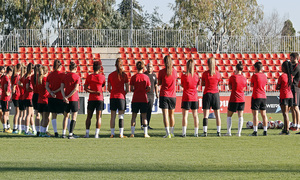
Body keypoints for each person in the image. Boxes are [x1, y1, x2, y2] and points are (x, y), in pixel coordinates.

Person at [107, 58, 129, 138]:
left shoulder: (110, 75)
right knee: (121, 116)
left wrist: (113, 92)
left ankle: (112, 134)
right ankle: (121, 134)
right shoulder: (125, 75)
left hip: (113, 96)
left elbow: (108, 88)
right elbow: (127, 89)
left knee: (112, 117)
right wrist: (123, 93)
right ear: (122, 65)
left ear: (115, 65)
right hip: (121, 97)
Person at [83, 61, 105, 138]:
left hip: (91, 99)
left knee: (89, 116)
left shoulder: (89, 77)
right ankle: (96, 134)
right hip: (99, 98)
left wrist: (93, 92)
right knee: (98, 117)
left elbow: (85, 88)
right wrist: (97, 91)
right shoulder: (102, 77)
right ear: (99, 69)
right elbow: (103, 85)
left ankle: (87, 134)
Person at [201, 57, 222, 137]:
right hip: (215, 94)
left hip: (207, 94)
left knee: (205, 115)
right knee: (217, 115)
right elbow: (218, 82)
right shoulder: (217, 74)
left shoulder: (205, 74)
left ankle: (205, 132)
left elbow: (203, 84)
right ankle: (218, 131)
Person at [130, 61, 151, 138]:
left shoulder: (133, 77)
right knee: (144, 116)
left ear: (136, 67)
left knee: (133, 116)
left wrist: (136, 90)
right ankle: (145, 133)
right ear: (143, 67)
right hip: (143, 99)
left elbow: (131, 88)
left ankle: (132, 133)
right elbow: (149, 88)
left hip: (135, 98)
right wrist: (144, 91)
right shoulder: (146, 77)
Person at [225, 61, 247, 137]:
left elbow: (230, 87)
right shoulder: (244, 78)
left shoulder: (232, 77)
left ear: (236, 69)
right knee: (240, 116)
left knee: (229, 115)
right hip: (242, 99)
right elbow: (244, 87)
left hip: (234, 98)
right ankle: (239, 133)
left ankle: (229, 132)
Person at [158, 55, 177, 138]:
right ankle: (172, 132)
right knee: (171, 115)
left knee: (165, 115)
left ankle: (167, 133)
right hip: (172, 96)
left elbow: (159, 83)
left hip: (164, 95)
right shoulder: (175, 71)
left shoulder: (161, 72)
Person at [180, 59, 200, 137]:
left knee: (185, 116)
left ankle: (184, 133)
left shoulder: (184, 76)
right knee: (195, 115)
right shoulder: (196, 76)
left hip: (186, 97)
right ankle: (196, 133)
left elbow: (182, 85)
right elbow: (197, 85)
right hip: (194, 97)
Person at [61, 62, 80, 139]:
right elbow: (76, 89)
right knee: (74, 116)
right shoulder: (77, 77)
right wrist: (68, 97)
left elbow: (62, 87)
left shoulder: (65, 76)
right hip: (74, 98)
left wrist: (64, 97)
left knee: (66, 116)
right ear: (75, 68)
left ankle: (63, 133)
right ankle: (70, 134)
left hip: (66, 99)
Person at [46, 60, 65, 137]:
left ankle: (55, 132)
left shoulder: (50, 75)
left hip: (51, 97)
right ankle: (69, 131)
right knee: (66, 115)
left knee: (54, 115)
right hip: (60, 97)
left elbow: (46, 86)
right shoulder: (62, 75)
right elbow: (62, 87)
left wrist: (51, 92)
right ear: (59, 66)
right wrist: (55, 91)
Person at [250, 61, 268, 136]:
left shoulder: (255, 75)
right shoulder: (264, 75)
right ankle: (265, 131)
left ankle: (255, 131)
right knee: (264, 114)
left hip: (256, 96)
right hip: (263, 96)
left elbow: (251, 85)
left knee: (255, 115)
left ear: (256, 68)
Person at [140, 62, 158, 130]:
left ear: (152, 68)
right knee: (143, 110)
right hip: (145, 94)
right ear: (146, 67)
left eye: (150, 67)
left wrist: (157, 93)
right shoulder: (144, 75)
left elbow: (156, 85)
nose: (149, 68)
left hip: (151, 95)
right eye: (148, 66)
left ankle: (147, 124)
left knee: (149, 110)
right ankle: (142, 124)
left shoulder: (154, 75)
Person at [276, 61, 293, 135]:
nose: (281, 67)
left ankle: (286, 130)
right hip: (290, 96)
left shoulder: (282, 76)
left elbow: (277, 87)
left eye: (282, 66)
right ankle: (285, 129)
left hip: (284, 96)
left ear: (284, 68)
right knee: (287, 114)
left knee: (285, 114)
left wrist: (280, 87)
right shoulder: (291, 76)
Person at [37, 66, 50, 137]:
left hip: (40, 100)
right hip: (45, 100)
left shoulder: (39, 80)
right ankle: (43, 132)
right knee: (46, 118)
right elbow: (48, 89)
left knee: (43, 118)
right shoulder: (45, 79)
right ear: (45, 72)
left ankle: (41, 132)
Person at [23, 63, 36, 135]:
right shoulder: (29, 77)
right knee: (29, 114)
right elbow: (28, 87)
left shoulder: (25, 76)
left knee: (31, 114)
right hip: (29, 96)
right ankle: (27, 130)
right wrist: (34, 89)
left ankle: (33, 129)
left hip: (27, 96)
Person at [1, 66, 13, 133]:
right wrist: (7, 93)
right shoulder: (6, 77)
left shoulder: (3, 77)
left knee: (7, 113)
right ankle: (5, 128)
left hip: (4, 98)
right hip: (5, 98)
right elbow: (5, 86)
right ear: (10, 71)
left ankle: (7, 127)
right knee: (5, 113)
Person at [290, 53, 300, 131]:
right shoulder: (293, 66)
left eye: (292, 57)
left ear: (295, 58)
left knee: (296, 107)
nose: (290, 59)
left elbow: (291, 75)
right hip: (292, 88)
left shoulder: (297, 67)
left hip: (295, 88)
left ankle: (298, 125)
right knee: (292, 107)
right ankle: (294, 123)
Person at [11, 64, 22, 134]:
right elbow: (14, 86)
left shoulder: (14, 76)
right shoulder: (17, 76)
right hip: (17, 96)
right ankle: (15, 128)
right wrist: (13, 93)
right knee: (17, 113)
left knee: (17, 113)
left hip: (16, 96)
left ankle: (17, 127)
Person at [32, 64, 41, 136]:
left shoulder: (32, 77)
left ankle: (37, 131)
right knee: (45, 114)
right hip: (40, 95)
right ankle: (44, 130)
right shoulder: (40, 77)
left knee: (37, 114)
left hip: (34, 95)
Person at [18, 65, 27, 134]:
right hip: (23, 96)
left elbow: (18, 83)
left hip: (20, 97)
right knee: (24, 115)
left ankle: (19, 128)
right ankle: (23, 128)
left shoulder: (21, 78)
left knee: (20, 115)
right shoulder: (25, 78)